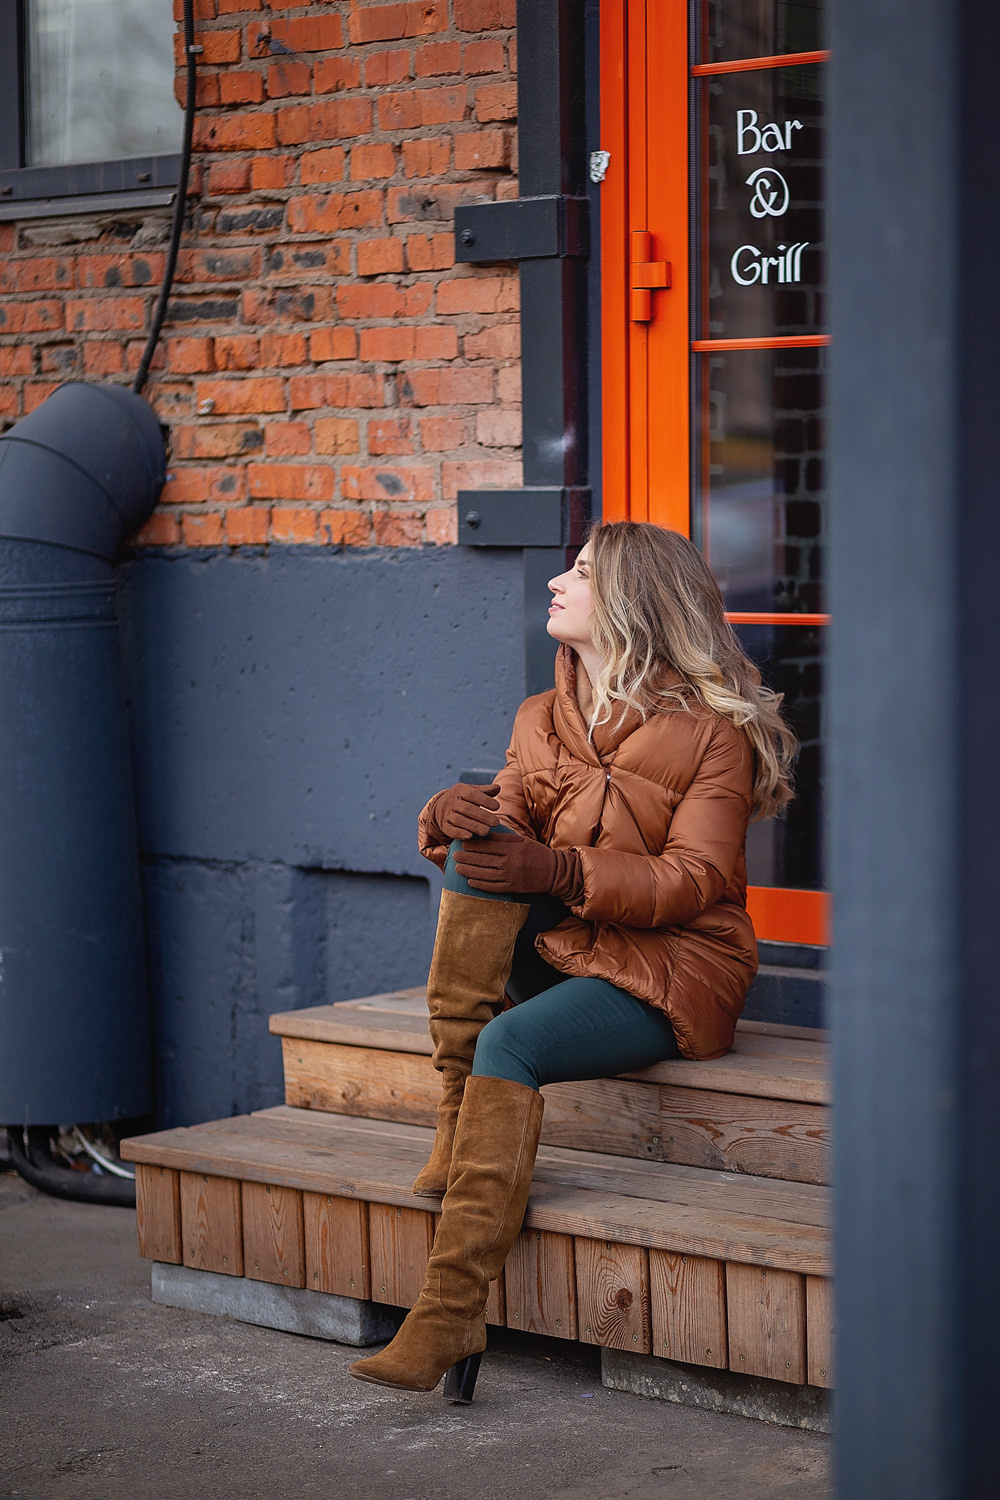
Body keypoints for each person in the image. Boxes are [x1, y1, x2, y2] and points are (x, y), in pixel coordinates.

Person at [349, 520, 797, 1401]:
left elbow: (696, 878)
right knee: (482, 865)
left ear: (630, 602)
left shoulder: (712, 734)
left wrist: (557, 869)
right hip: (573, 945)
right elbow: (505, 825)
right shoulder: (540, 714)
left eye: (583, 573)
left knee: (507, 1044)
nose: (559, 581)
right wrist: (451, 817)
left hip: (673, 970)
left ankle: (448, 1310)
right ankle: (454, 1125)